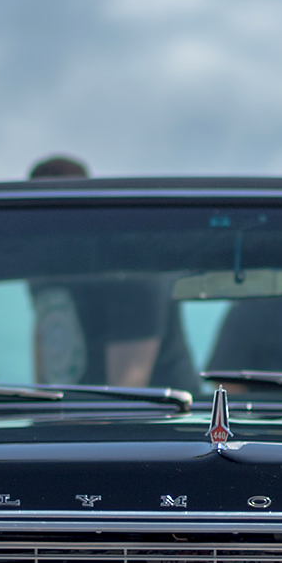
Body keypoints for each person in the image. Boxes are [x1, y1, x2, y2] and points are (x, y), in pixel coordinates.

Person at [25, 155, 199, 391]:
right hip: (75, 415)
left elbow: (129, 387)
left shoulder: (129, 268)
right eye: (33, 210)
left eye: (60, 207)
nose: (45, 222)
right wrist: (40, 413)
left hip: (157, 421)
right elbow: (47, 330)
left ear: (86, 207)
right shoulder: (42, 267)